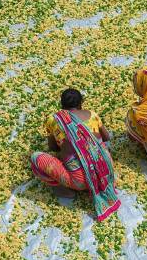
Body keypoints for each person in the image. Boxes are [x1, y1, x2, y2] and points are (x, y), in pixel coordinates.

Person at [30, 88, 120, 221]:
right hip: (106, 173)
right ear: (81, 103)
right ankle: (95, 180)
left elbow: (52, 148)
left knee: (35, 158)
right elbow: (106, 137)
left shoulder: (54, 120)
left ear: (61, 105)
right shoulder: (93, 115)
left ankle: (65, 190)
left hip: (81, 182)